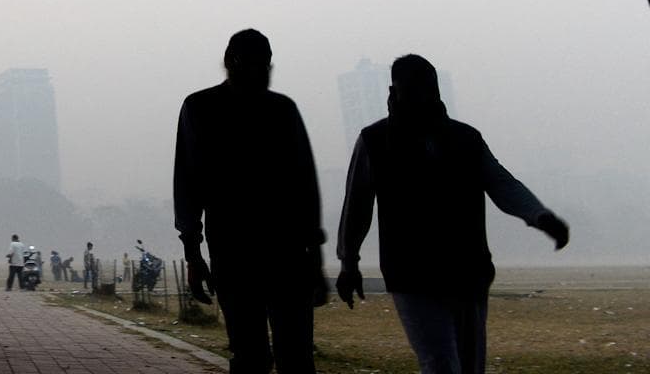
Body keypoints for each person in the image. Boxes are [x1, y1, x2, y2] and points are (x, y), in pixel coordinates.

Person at [336, 54, 570, 374]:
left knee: (452, 363)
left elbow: (356, 206)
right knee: (445, 363)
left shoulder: (380, 140)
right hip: (438, 274)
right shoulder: (455, 139)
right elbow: (502, 183)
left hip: (445, 273)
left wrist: (349, 263)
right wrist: (540, 216)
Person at [174, 28, 327, 374]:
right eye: (259, 64)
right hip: (281, 251)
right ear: (233, 63)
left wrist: (193, 254)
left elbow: (187, 186)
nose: (263, 72)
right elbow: (306, 189)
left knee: (251, 352)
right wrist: (315, 261)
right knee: (294, 354)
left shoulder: (201, 107)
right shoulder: (281, 110)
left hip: (234, 249)